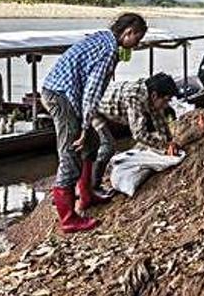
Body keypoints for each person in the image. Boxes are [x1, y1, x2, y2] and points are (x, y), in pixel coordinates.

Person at [41, 13, 148, 233]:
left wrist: (87, 129)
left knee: (91, 144)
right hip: (61, 96)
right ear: (128, 33)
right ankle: (68, 218)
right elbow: (91, 92)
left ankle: (87, 194)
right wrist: (83, 126)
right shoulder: (108, 52)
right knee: (71, 152)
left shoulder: (104, 37)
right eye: (136, 39)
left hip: (67, 93)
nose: (136, 45)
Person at [90, 72, 181, 196]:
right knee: (108, 146)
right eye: (165, 100)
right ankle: (94, 186)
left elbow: (159, 120)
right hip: (94, 108)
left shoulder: (150, 94)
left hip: (114, 109)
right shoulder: (135, 98)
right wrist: (164, 146)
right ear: (154, 95)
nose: (166, 105)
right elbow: (138, 134)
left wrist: (169, 141)